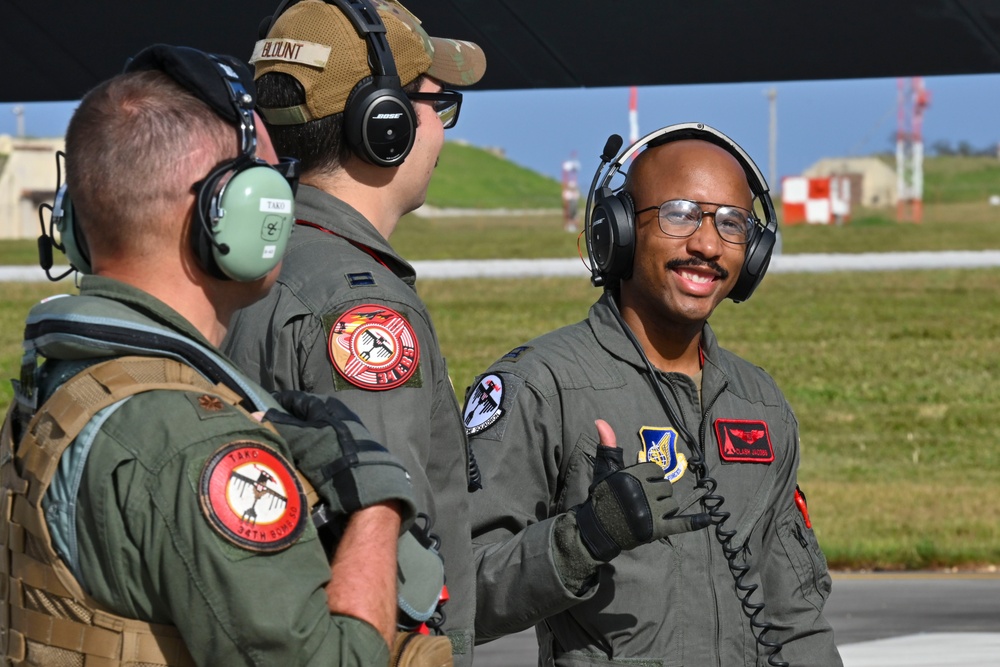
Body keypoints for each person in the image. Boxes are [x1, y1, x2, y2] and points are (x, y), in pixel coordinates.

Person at [0, 44, 424, 666]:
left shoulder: (59, 386)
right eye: (274, 186)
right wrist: (379, 503)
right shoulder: (194, 445)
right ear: (229, 210)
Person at [464, 123, 843, 666]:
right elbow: (459, 594)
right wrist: (582, 539)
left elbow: (796, 617)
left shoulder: (759, 403)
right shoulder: (543, 387)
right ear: (617, 230)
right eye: (680, 214)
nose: (708, 245)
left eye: (732, 224)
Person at [223, 1, 486, 662]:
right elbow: (391, 561)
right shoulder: (360, 312)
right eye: (435, 103)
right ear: (385, 124)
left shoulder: (244, 264)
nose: (440, 126)